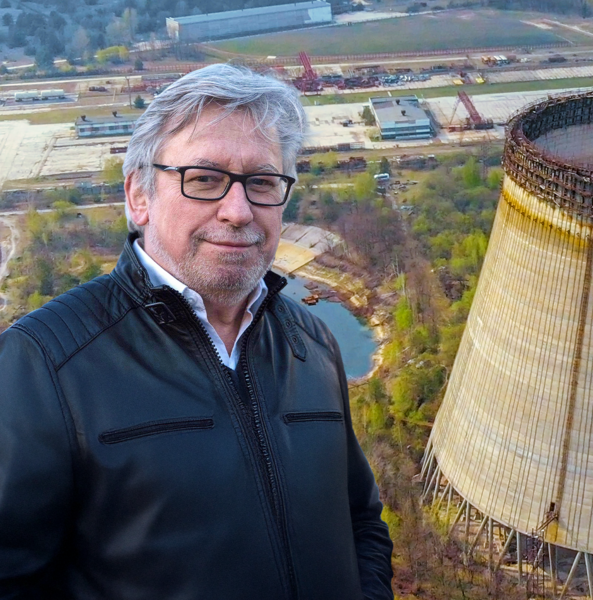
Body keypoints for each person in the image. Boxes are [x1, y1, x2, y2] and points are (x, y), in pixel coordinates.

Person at [0, 63, 393, 599]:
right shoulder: (44, 363)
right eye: (204, 179)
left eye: (261, 182)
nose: (238, 211)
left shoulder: (312, 343)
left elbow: (361, 521)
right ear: (139, 195)